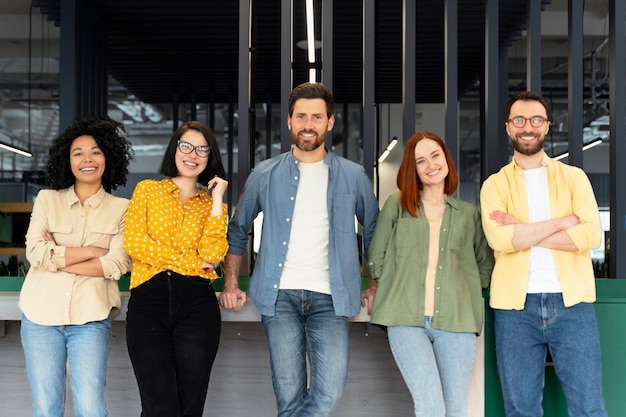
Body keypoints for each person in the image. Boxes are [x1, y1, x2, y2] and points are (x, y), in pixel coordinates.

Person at [219, 82, 379, 417]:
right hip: (279, 298)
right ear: (290, 121)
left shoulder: (353, 176)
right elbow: (238, 230)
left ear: (330, 122)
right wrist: (231, 283)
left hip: (332, 298)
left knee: (330, 390)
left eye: (317, 117)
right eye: (302, 116)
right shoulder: (264, 174)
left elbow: (374, 233)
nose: (309, 124)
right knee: (289, 396)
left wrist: (375, 282)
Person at [480, 91, 608, 417]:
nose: (528, 127)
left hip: (573, 303)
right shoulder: (494, 186)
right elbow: (501, 240)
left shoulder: (574, 178)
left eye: (536, 120)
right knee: (521, 410)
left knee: (589, 408)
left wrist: (524, 230)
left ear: (547, 126)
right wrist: (562, 223)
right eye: (519, 120)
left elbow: (591, 234)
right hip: (514, 310)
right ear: (508, 127)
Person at [361, 132, 493, 417]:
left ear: (446, 158)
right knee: (431, 407)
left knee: (456, 408)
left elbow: (485, 263)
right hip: (405, 320)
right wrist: (380, 286)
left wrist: (466, 289)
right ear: (413, 169)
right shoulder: (398, 205)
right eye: (421, 161)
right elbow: (377, 256)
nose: (431, 164)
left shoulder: (468, 214)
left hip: (456, 322)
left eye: (435, 155)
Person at [19, 115, 133, 417]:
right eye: (78, 152)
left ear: (108, 157)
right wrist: (93, 252)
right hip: (40, 318)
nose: (88, 159)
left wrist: (57, 256)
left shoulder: (122, 209)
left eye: (96, 151)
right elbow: (36, 253)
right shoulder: (47, 200)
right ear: (66, 160)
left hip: (91, 318)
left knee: (91, 407)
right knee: (46, 407)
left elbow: (118, 264)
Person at [124, 120, 228, 416]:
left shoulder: (212, 205)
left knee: (190, 406)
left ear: (209, 157)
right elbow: (135, 244)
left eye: (202, 149)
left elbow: (213, 253)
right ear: (174, 150)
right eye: (186, 146)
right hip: (149, 303)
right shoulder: (147, 191)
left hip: (197, 306)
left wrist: (219, 198)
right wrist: (194, 263)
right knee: (159, 405)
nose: (192, 154)